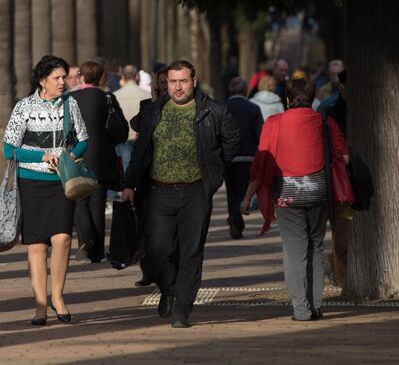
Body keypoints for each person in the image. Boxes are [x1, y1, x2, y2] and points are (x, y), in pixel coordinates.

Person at [122, 60, 240, 328]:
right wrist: (129, 183)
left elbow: (232, 143)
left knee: (191, 252)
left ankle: (182, 310)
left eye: (183, 81)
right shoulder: (153, 111)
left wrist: (215, 172)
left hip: (196, 192)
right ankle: (168, 289)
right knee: (158, 250)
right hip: (158, 192)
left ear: (194, 81)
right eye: (173, 81)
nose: (177, 87)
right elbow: (140, 152)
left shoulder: (213, 111)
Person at [240, 78, 349, 321]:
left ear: (287, 100)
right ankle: (316, 305)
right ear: (312, 99)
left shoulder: (274, 123)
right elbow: (344, 156)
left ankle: (301, 309)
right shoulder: (325, 122)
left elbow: (261, 164)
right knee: (316, 246)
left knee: (294, 251)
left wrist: (247, 197)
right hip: (319, 193)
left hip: (287, 195)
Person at [2, 55, 89, 325]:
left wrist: (69, 155)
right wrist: (40, 157)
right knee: (37, 244)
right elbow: (9, 149)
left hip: (61, 182)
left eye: (64, 77)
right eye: (57, 78)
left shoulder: (71, 104)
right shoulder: (23, 107)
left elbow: (83, 139)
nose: (63, 82)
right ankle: (40, 305)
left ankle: (58, 298)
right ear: (42, 81)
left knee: (62, 238)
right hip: (31, 182)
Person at [72, 60, 128, 262]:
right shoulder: (108, 98)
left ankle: (86, 242)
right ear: (102, 76)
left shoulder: (71, 99)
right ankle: (96, 252)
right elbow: (121, 128)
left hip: (78, 156)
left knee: (80, 201)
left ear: (81, 76)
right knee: (97, 203)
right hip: (102, 157)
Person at [319, 70, 348, 288]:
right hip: (340, 178)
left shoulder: (329, 109)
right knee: (340, 228)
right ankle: (341, 275)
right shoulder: (329, 110)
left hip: (350, 176)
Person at [224, 77, 263, 239]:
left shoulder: (222, 108)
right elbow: (260, 134)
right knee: (241, 189)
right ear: (245, 90)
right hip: (247, 156)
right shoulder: (253, 108)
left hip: (227, 157)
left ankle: (235, 217)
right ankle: (236, 218)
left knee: (231, 190)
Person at [114, 64, 151, 172]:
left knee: (127, 170)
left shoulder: (115, 95)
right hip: (140, 136)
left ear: (123, 77)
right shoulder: (147, 94)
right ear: (136, 77)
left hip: (124, 137)